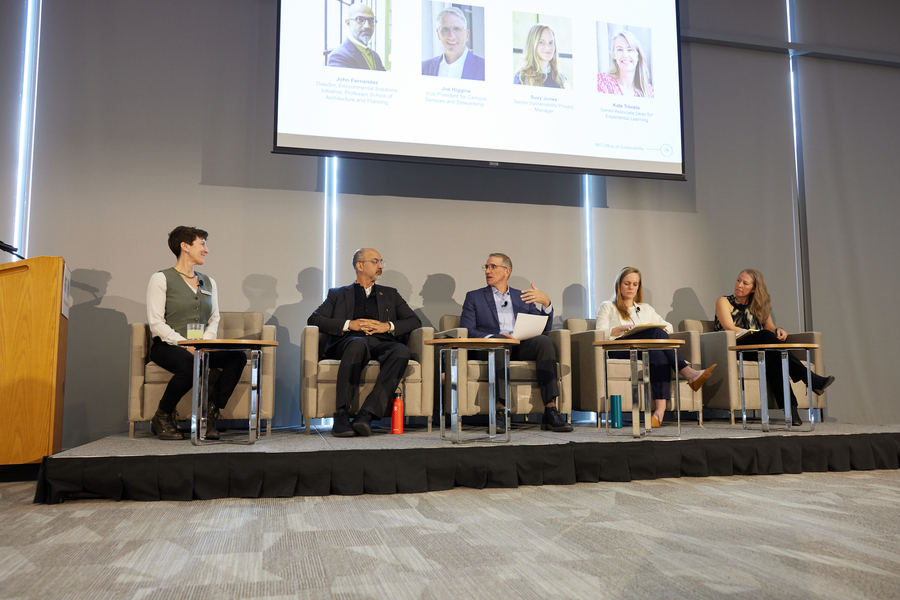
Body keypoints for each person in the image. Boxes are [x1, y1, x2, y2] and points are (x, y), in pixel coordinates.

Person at [146, 226, 246, 440]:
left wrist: (205, 342)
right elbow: (156, 323)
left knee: (237, 357)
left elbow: (214, 318)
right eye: (202, 244)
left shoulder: (209, 282)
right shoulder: (161, 278)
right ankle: (162, 416)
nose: (206, 250)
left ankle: (208, 416)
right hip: (168, 346)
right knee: (191, 365)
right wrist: (185, 344)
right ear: (185, 246)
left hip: (201, 345)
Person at [308, 248, 421, 437]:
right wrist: (349, 324)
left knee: (401, 350)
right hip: (349, 341)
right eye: (375, 261)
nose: (381, 266)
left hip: (381, 342)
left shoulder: (390, 294)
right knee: (358, 343)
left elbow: (414, 321)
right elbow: (314, 319)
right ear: (360, 266)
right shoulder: (338, 294)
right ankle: (341, 415)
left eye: (381, 262)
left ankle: (366, 414)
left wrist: (387, 326)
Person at [460, 253, 572, 432]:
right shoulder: (474, 297)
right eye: (486, 267)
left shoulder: (522, 297)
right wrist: (495, 337)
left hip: (519, 345)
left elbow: (541, 326)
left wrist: (546, 303)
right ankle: (500, 411)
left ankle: (550, 410)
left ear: (506, 271)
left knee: (544, 342)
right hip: (491, 346)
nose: (487, 271)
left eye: (492, 267)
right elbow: (467, 329)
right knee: (500, 344)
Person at [597, 267, 716, 428]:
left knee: (657, 353)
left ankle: (659, 411)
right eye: (627, 283)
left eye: (635, 284)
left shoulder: (645, 308)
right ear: (619, 285)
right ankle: (688, 372)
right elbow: (598, 333)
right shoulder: (608, 306)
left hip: (643, 349)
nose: (631, 287)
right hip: (621, 348)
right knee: (655, 332)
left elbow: (668, 326)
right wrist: (617, 330)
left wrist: (663, 330)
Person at [715, 269, 834, 426]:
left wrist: (778, 330)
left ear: (754, 289)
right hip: (735, 347)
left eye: (745, 283)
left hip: (760, 348)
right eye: (738, 281)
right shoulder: (724, 301)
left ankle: (791, 411)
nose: (739, 285)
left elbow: (770, 327)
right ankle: (810, 379)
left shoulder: (759, 305)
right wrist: (759, 334)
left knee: (773, 358)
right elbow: (729, 327)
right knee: (766, 339)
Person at [421, 7, 485, 81]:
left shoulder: (485, 68)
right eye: (445, 29)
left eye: (457, 29)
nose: (451, 36)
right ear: (438, 34)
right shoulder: (423, 68)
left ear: (466, 35)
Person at [327, 3, 386, 71]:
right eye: (360, 19)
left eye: (371, 20)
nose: (367, 26)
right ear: (348, 23)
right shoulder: (338, 57)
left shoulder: (375, 56)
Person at [597, 29, 653, 97]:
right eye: (620, 49)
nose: (625, 55)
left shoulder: (649, 91)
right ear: (614, 55)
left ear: (638, 56)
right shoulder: (602, 81)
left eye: (630, 50)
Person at [513, 24, 566, 88]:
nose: (548, 47)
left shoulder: (561, 79)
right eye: (541, 42)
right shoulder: (521, 78)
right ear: (532, 45)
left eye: (551, 42)